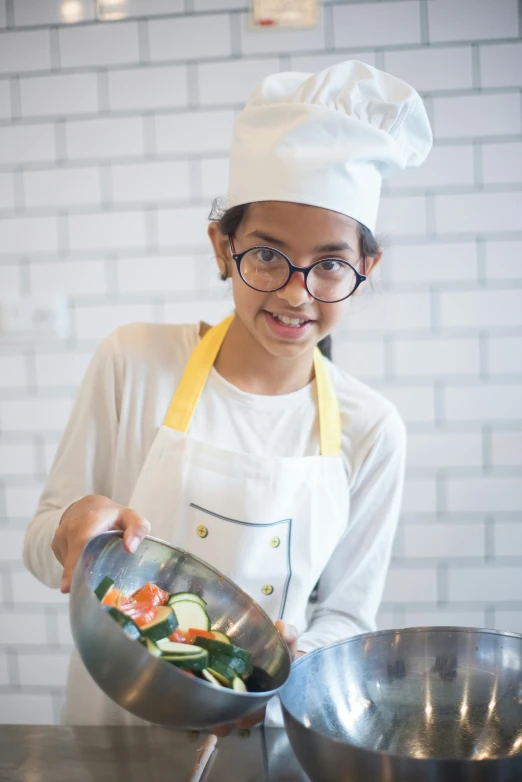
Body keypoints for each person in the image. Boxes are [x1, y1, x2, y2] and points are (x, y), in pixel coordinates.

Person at [24, 60, 432, 729]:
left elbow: (347, 615)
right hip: (109, 739)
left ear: (366, 269)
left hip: (260, 737)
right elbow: (43, 546)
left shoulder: (372, 429)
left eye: (330, 264)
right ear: (223, 246)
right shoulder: (134, 362)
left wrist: (293, 666)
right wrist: (70, 532)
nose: (296, 291)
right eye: (267, 255)